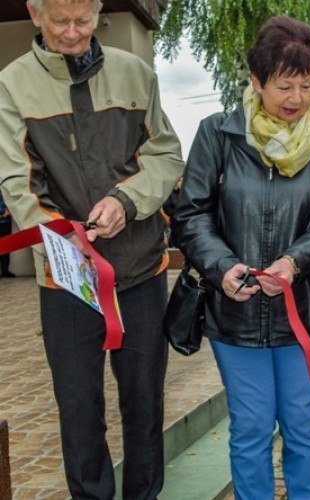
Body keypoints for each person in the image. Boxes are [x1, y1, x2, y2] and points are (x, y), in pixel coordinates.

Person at [0, 0, 184, 497]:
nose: (73, 33)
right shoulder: (12, 85)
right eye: (60, 21)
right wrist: (64, 237)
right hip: (65, 280)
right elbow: (18, 184)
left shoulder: (135, 73)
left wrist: (128, 200)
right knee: (79, 413)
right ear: (35, 14)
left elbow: (165, 154)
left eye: (84, 19)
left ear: (99, 9)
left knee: (144, 406)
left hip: (141, 271)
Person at [170, 17, 310, 499]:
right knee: (250, 429)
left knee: (303, 426)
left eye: (305, 86)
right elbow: (191, 214)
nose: (294, 99)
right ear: (255, 81)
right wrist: (222, 266)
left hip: (305, 313)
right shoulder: (218, 134)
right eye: (283, 86)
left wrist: (293, 262)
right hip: (235, 313)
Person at [0, 194, 13, 277]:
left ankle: (5, 271)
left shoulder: (5, 190)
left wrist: (9, 210)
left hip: (6, 222)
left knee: (6, 246)